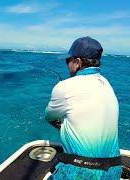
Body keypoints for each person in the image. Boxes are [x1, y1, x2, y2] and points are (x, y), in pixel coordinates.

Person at [45, 37, 122, 179]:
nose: (67, 64)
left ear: (78, 63)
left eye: (68, 60)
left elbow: (49, 117)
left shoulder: (64, 87)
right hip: (114, 170)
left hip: (81, 173)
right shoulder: (107, 84)